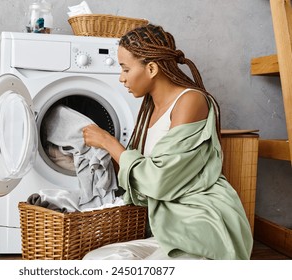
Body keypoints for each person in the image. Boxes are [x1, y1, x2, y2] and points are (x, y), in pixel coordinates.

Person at [82, 24, 253, 260]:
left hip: (202, 223)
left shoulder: (191, 101)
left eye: (125, 69)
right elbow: (142, 182)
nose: (121, 78)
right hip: (167, 227)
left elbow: (159, 181)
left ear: (151, 68)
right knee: (94, 261)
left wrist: (108, 142)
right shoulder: (149, 110)